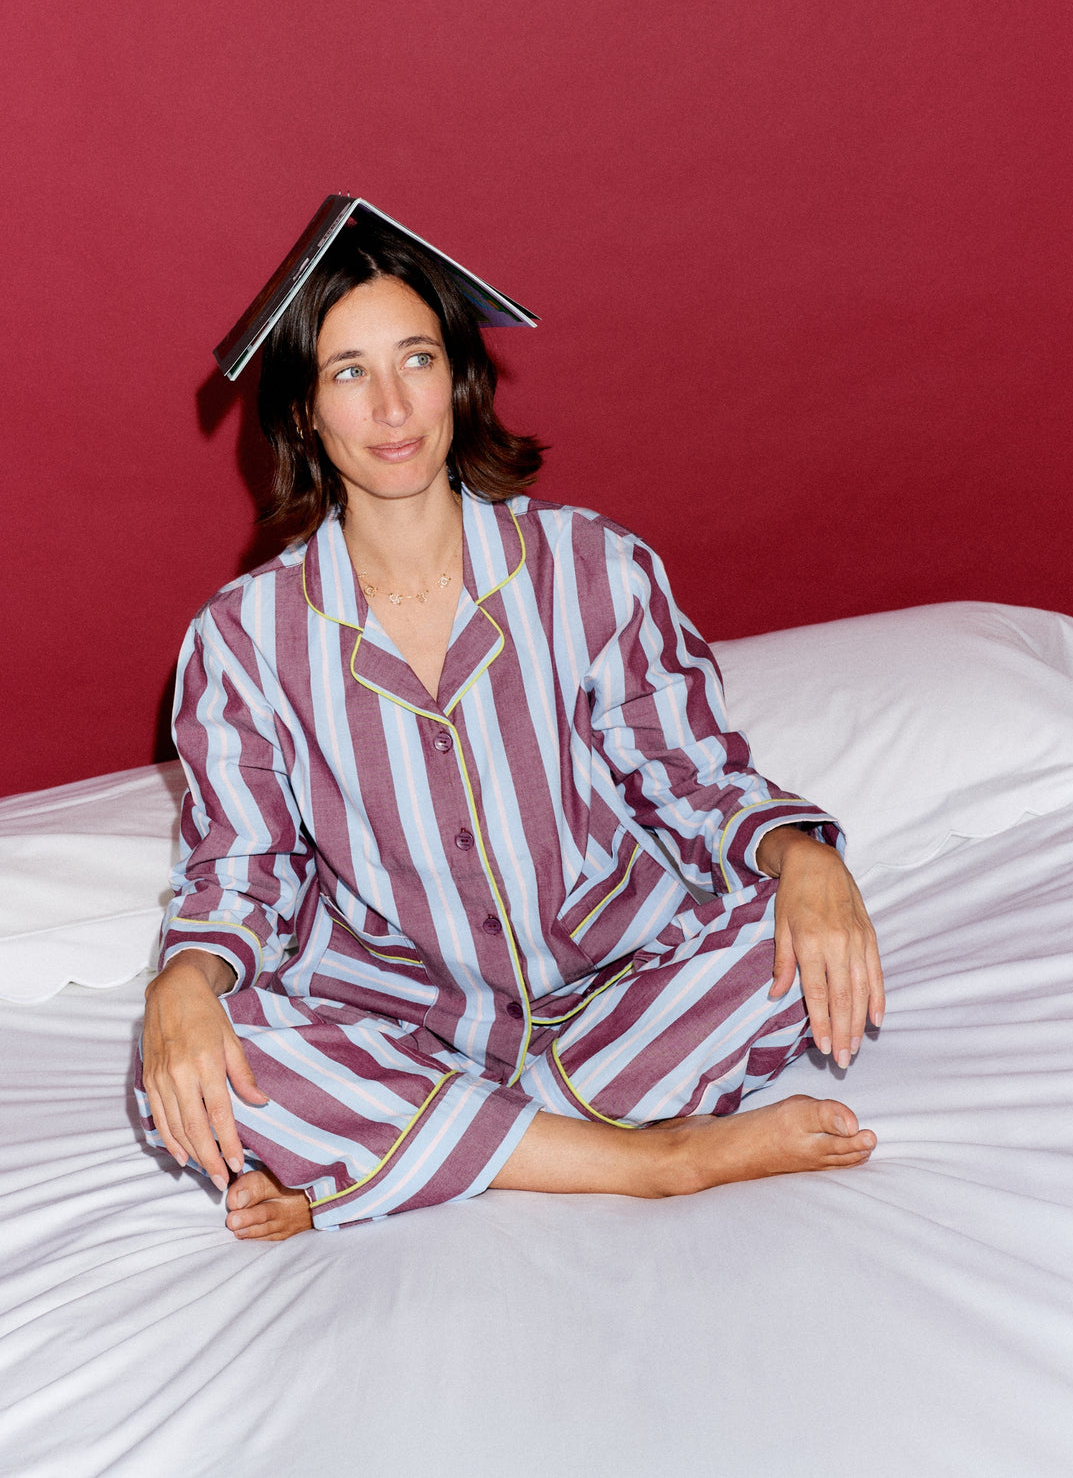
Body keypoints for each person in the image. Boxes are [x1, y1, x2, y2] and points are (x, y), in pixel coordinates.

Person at [136, 206, 884, 1242]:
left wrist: (799, 851)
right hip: (403, 1023)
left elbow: (691, 771)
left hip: (618, 991)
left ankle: (397, 1164)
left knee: (796, 925)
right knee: (201, 1047)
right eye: (349, 372)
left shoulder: (594, 568)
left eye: (417, 359)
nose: (393, 407)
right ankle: (653, 1160)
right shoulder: (242, 639)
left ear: (460, 379)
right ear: (304, 411)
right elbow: (243, 867)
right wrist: (185, 980)